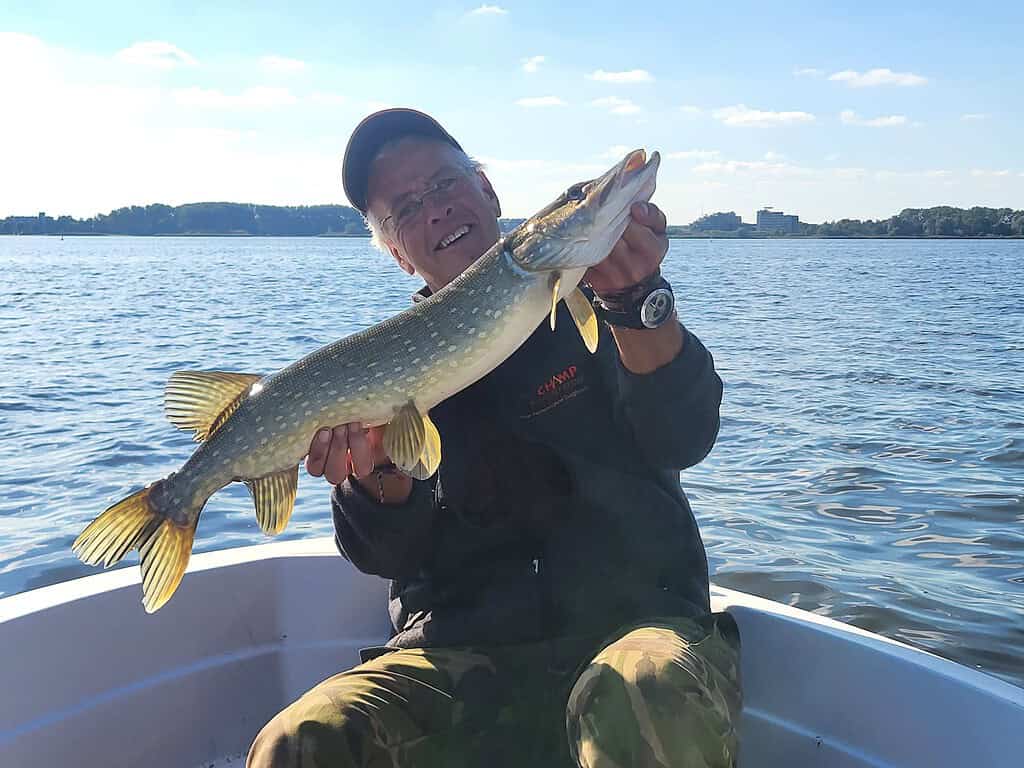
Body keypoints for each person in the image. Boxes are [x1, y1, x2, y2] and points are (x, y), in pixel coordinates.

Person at [247, 108, 741, 768]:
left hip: (634, 628)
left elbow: (685, 435)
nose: (436, 208)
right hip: (460, 661)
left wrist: (641, 301)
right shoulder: (392, 373)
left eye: (447, 182)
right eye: (406, 208)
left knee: (642, 693)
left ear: (488, 191)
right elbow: (390, 552)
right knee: (300, 743)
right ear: (398, 253)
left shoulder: (601, 306)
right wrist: (376, 475)